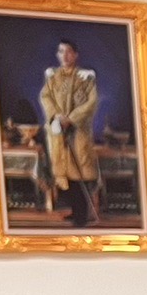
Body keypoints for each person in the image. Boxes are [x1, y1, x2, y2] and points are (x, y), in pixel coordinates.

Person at [41, 41, 99, 227]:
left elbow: (91, 102)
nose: (64, 56)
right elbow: (46, 97)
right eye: (61, 52)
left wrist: (71, 118)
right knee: (65, 172)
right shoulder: (53, 77)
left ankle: (83, 214)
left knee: (79, 171)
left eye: (68, 52)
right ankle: (75, 211)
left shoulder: (85, 78)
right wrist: (56, 116)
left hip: (78, 132)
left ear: (75, 55)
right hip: (59, 132)